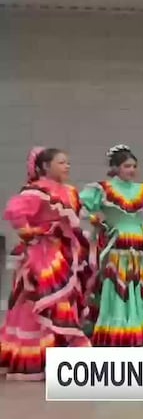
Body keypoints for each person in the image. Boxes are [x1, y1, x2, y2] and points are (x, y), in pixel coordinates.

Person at [0, 147, 91, 380]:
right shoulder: (36, 191)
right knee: (38, 303)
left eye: (67, 162)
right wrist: (35, 234)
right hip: (43, 255)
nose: (67, 166)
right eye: (61, 162)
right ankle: (37, 358)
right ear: (44, 167)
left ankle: (61, 360)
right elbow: (16, 214)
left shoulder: (70, 191)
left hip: (66, 254)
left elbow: (74, 222)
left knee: (64, 304)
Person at [80, 145, 143, 346]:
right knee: (118, 290)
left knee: (139, 290)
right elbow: (80, 208)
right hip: (116, 249)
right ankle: (117, 333)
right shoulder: (102, 188)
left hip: (141, 251)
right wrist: (99, 222)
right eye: (127, 166)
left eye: (134, 166)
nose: (132, 170)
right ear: (115, 168)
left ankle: (138, 331)